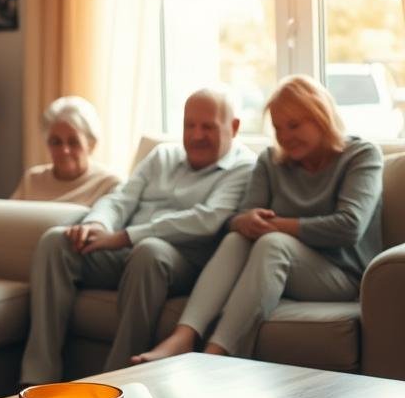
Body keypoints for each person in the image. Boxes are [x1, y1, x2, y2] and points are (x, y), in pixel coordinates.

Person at [135, 75, 383, 363]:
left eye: (294, 125)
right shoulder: (271, 160)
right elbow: (238, 217)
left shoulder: (362, 156)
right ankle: (184, 336)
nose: (286, 136)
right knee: (238, 237)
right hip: (281, 269)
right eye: (278, 128)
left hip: (341, 275)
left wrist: (278, 226)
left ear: (321, 117)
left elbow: (349, 227)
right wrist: (245, 221)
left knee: (272, 242)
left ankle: (216, 355)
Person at [19, 88, 256, 383]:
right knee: (56, 241)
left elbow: (207, 220)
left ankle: (114, 382)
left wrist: (125, 236)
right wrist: (98, 224)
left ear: (233, 127)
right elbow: (121, 198)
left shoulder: (244, 166)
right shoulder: (162, 155)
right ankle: (37, 379)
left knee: (150, 250)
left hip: (182, 260)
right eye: (189, 125)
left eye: (207, 126)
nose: (196, 135)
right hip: (126, 249)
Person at [10, 96, 121, 207]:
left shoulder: (109, 183)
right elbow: (8, 218)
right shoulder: (32, 179)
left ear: (91, 144)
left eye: (73, 142)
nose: (64, 150)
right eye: (56, 142)